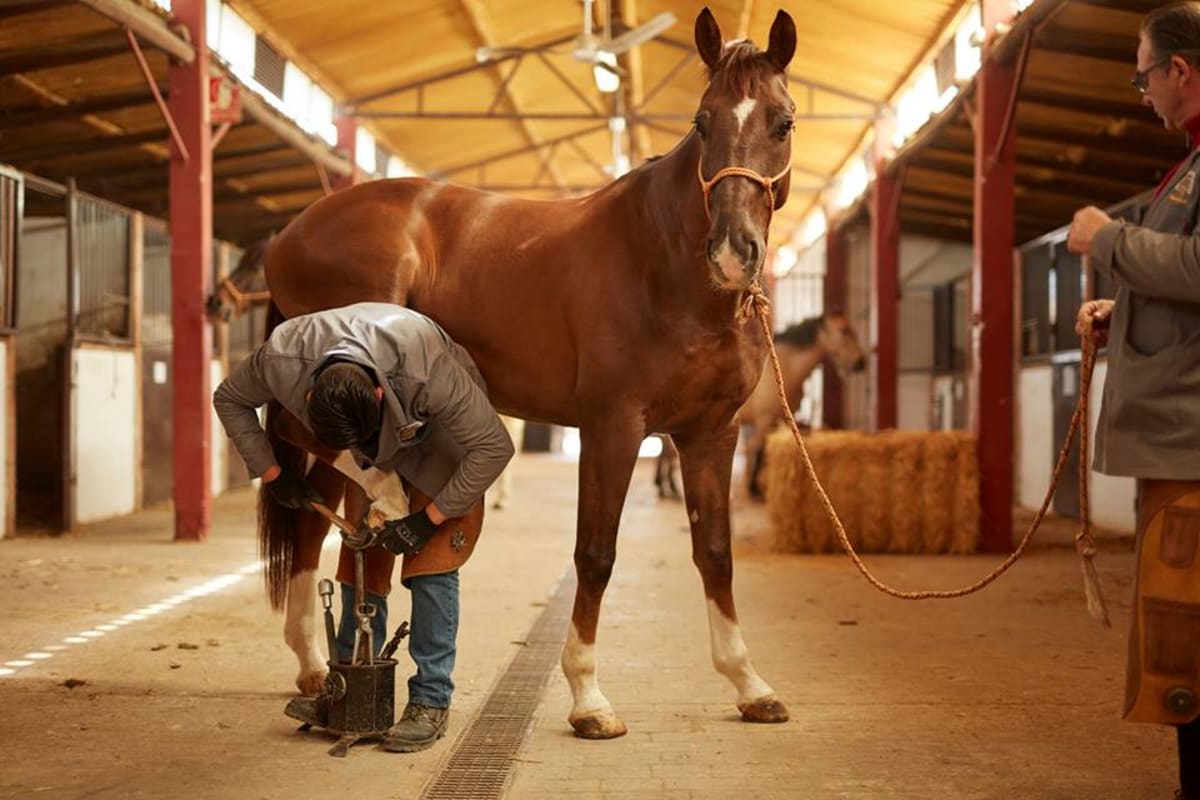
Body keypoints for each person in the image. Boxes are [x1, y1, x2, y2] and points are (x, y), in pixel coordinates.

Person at [213, 301, 514, 753]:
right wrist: (273, 474)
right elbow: (229, 398)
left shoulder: (431, 370)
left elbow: (494, 447)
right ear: (309, 399)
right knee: (361, 548)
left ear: (375, 396)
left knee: (430, 563)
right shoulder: (280, 359)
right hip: (369, 443)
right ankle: (351, 692)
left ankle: (430, 700)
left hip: (433, 429)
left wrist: (425, 521)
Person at [1067, 4, 1200, 797]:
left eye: (1145, 73)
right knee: (1178, 641)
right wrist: (1128, 311)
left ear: (1180, 71)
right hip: (1180, 443)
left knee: (1190, 640)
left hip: (1194, 443)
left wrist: (1109, 238)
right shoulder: (1187, 165)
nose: (1142, 90)